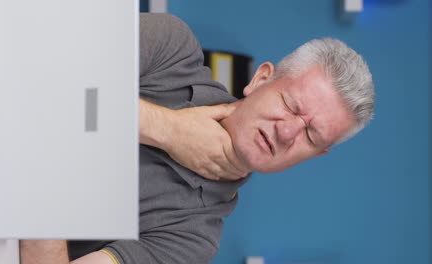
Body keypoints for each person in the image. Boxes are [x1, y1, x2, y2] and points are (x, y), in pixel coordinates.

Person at [19, 13, 375, 264]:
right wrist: (167, 128)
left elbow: (46, 97)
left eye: (310, 136)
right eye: (290, 105)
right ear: (261, 79)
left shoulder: (193, 240)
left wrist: (47, 136)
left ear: (314, 156)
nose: (287, 132)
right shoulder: (171, 49)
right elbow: (33, 65)